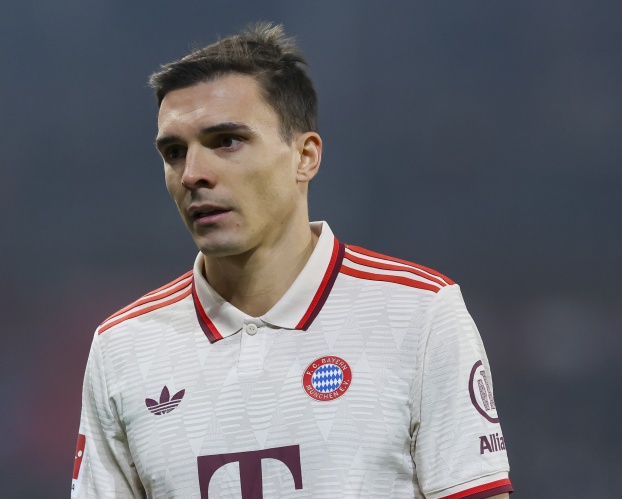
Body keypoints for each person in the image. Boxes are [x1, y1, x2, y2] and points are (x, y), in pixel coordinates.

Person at [72, 23, 512, 498]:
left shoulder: (419, 313)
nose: (193, 174)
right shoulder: (122, 347)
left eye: (226, 141)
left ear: (305, 156)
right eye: (174, 152)